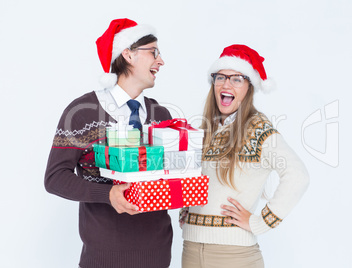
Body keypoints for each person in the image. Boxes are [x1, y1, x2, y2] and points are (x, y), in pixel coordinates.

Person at [45, 18, 173, 268]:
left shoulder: (161, 115)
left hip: (157, 254)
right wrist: (108, 193)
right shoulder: (83, 112)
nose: (161, 61)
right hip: (104, 258)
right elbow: (55, 178)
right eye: (154, 52)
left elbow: (168, 177)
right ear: (128, 54)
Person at [180, 44, 310, 268]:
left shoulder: (258, 128)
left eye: (237, 79)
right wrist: (186, 210)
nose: (226, 84)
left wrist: (260, 223)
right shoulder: (206, 128)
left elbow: (298, 175)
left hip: (234, 255)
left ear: (249, 87)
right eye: (220, 77)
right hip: (191, 249)